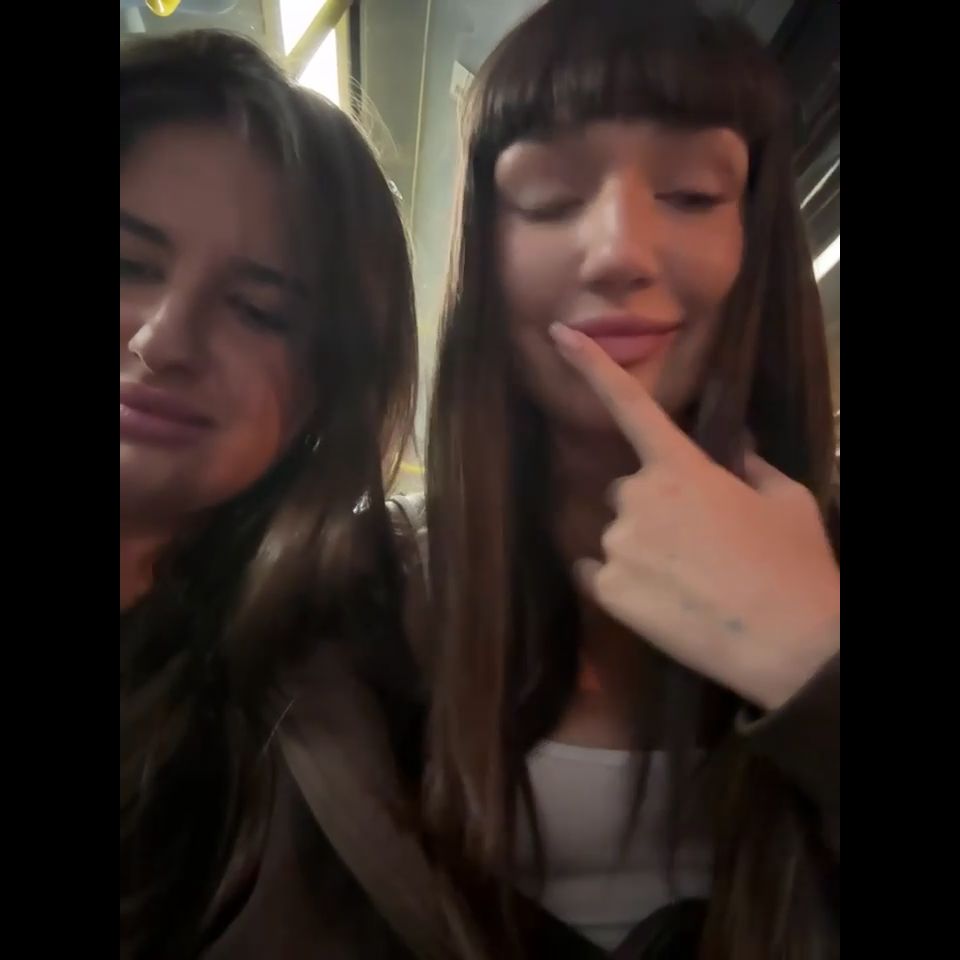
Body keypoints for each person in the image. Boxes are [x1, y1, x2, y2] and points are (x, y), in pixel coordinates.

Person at [423, 1, 840, 957]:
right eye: (547, 199)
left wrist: (819, 661)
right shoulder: (364, 594)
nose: (619, 250)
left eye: (692, 194)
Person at [120, 31, 450, 959]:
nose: (163, 340)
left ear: (321, 394)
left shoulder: (365, 664)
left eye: (259, 310)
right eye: (128, 264)